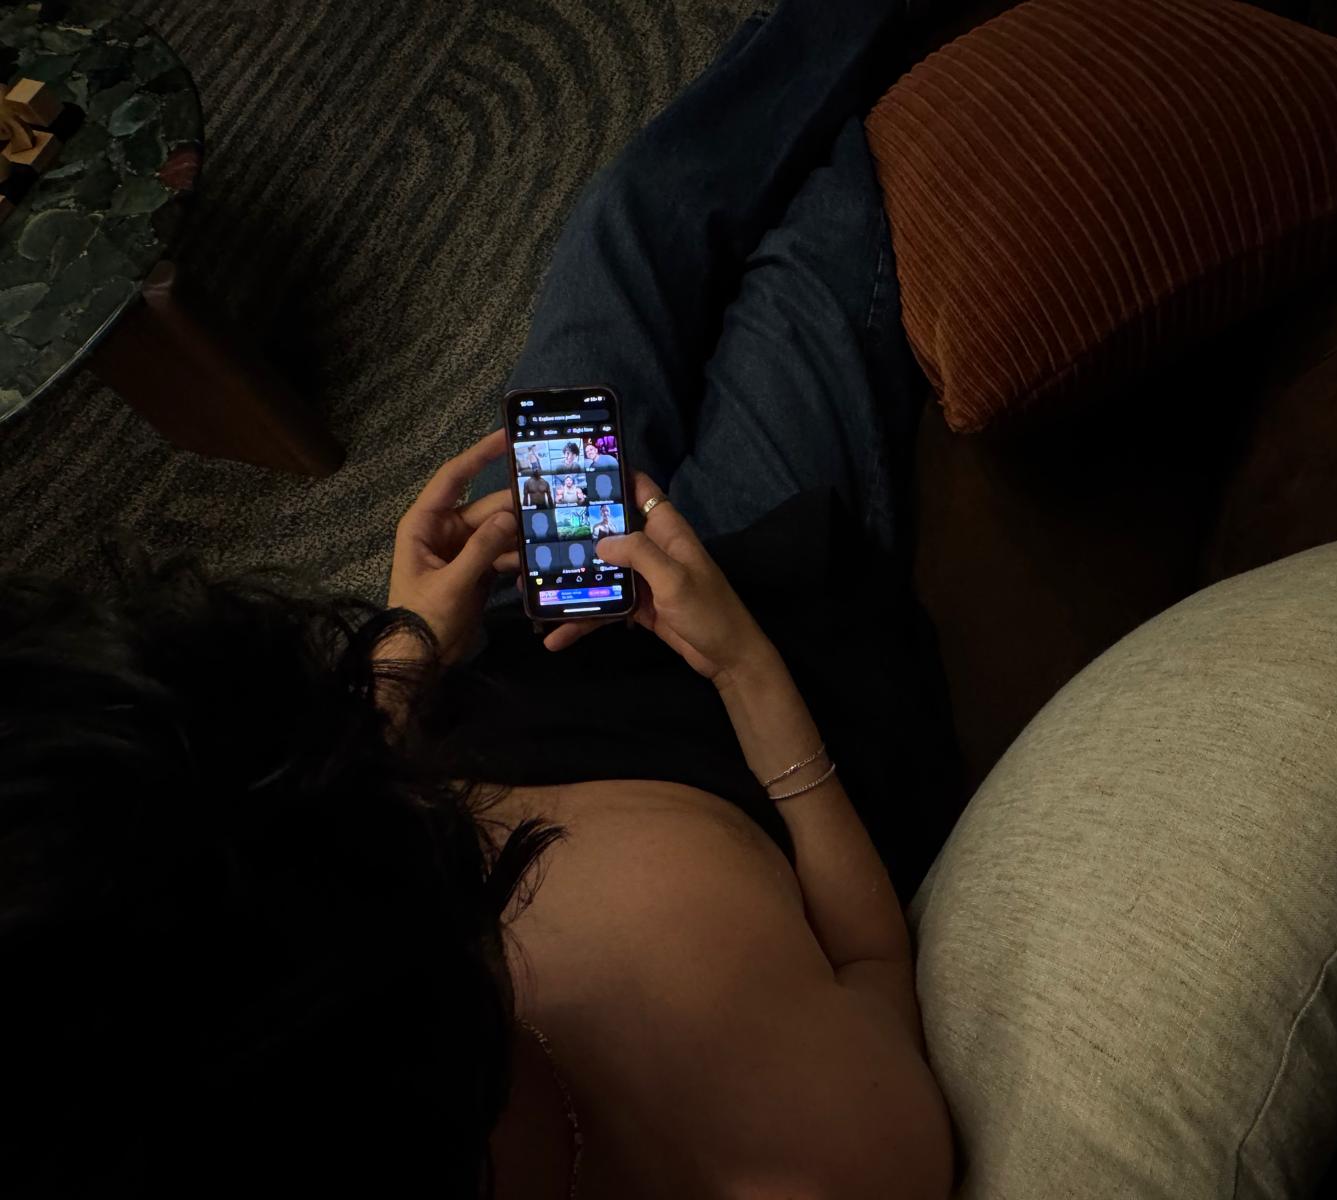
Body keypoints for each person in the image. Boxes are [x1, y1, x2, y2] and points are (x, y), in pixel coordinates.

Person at [0, 2, 962, 1196]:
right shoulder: (815, 1156)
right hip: (772, 669)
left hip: (523, 647)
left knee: (627, 224)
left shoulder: (249, 927)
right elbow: (874, 957)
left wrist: (408, 654)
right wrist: (748, 671)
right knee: (831, 231)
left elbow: (295, 821)